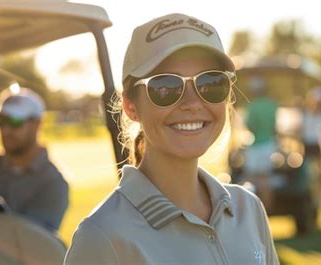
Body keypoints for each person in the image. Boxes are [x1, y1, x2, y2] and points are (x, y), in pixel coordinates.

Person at [65, 13, 279, 265]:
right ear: (131, 106)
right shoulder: (102, 236)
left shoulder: (248, 209)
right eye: (165, 87)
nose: (192, 103)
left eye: (211, 83)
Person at [0, 87, 69, 234]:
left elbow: (30, 241)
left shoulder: (53, 183)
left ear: (37, 124)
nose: (5, 130)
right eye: (1, 122)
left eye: (15, 121)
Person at [243, 76, 278, 213]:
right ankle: (266, 211)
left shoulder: (252, 106)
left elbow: (251, 126)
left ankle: (253, 212)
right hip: (269, 144)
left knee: (251, 178)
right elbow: (274, 126)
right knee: (265, 179)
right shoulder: (272, 104)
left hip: (256, 145)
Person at [300, 86, 321, 206]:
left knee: (320, 173)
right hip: (306, 145)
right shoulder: (305, 114)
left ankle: (319, 196)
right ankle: (308, 194)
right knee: (306, 173)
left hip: (317, 146)